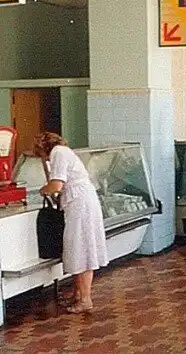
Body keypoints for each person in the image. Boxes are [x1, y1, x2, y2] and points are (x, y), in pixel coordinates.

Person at [34, 132, 108, 314]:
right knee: (79, 248)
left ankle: (85, 299)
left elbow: (56, 186)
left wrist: (43, 190)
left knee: (80, 249)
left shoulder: (58, 152)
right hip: (80, 202)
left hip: (80, 204)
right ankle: (78, 294)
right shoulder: (63, 151)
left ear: (43, 147)